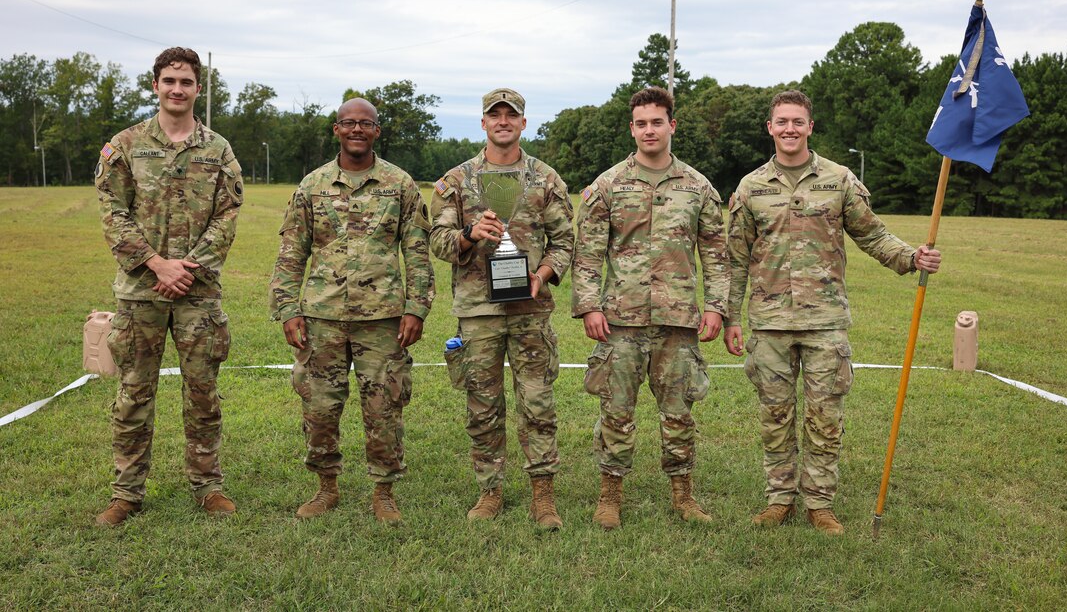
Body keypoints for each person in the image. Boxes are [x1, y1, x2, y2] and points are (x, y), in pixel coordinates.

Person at [724, 89, 942, 535]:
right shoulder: (751, 188)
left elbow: (873, 235)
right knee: (775, 416)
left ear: (810, 127)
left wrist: (911, 258)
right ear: (770, 128)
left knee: (825, 418)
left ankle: (820, 503)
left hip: (826, 322)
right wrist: (730, 318)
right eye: (781, 121)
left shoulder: (839, 180)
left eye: (797, 121)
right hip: (770, 324)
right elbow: (735, 258)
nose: (789, 129)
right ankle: (779, 498)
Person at [94, 47, 244, 526]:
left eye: (186, 81)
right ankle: (126, 494)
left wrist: (189, 268)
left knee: (203, 392)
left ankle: (207, 487)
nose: (177, 89)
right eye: (169, 80)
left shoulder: (218, 149)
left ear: (199, 88)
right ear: (155, 85)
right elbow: (112, 213)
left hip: (198, 294)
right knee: (134, 393)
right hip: (141, 292)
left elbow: (227, 213)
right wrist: (158, 265)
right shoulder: (126, 145)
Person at [270, 97, 434, 524]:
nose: (357, 130)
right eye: (349, 123)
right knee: (320, 406)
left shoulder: (400, 185)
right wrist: (288, 309)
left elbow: (417, 253)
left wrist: (417, 308)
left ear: (377, 131)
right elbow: (291, 252)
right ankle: (326, 487)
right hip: (321, 318)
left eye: (366, 124)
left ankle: (384, 491)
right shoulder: (312, 186)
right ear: (336, 130)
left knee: (384, 407)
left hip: (383, 320)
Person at [572, 86, 728, 529]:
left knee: (679, 412)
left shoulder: (697, 187)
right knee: (616, 410)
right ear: (632, 129)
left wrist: (716, 307)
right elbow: (586, 255)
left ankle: (683, 495)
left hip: (679, 320)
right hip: (620, 320)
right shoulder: (608, 185)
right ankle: (610, 496)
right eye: (641, 123)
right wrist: (588, 307)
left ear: (671, 125)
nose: (649, 130)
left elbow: (716, 253)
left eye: (657, 122)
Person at [430, 88, 574, 530]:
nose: (504, 121)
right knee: (483, 405)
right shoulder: (456, 181)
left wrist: (544, 274)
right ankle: (490, 491)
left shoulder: (546, 179)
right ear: (483, 123)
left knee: (537, 402)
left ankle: (542, 495)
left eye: (512, 115)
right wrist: (470, 235)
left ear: (524, 124)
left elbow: (566, 242)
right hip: (478, 312)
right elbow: (437, 241)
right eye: (496, 115)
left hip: (531, 309)